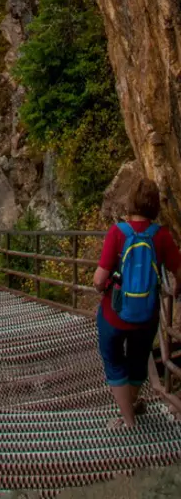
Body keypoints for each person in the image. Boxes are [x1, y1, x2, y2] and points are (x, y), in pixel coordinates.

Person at [93, 176, 181, 429]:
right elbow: (178, 270)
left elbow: (99, 280)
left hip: (115, 313)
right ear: (154, 206)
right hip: (147, 316)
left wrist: (102, 285)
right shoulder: (161, 236)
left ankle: (128, 420)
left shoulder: (117, 233)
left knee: (113, 359)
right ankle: (132, 405)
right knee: (138, 359)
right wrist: (177, 288)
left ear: (130, 203)